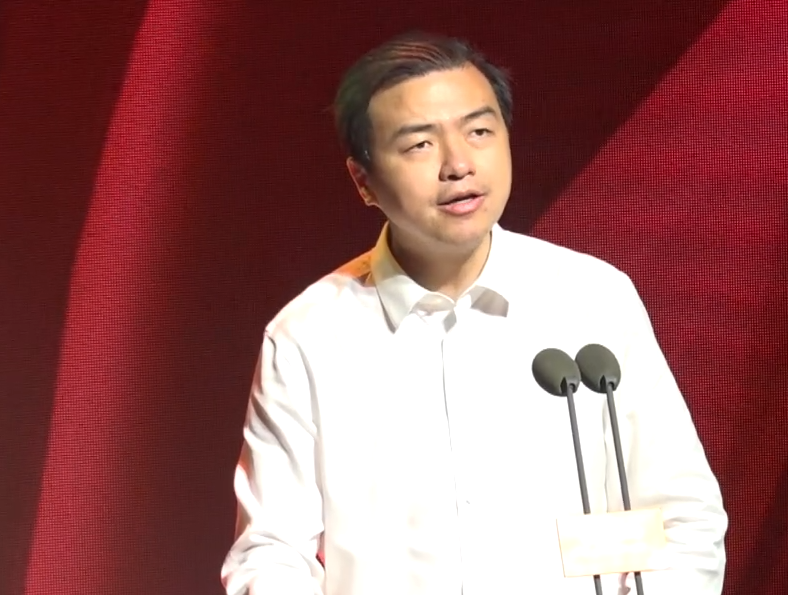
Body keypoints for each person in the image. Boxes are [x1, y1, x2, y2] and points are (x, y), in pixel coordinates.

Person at [222, 30, 728, 595]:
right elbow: (270, 552)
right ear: (363, 181)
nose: (458, 164)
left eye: (479, 131)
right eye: (419, 144)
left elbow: (681, 514)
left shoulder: (592, 300)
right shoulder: (308, 336)